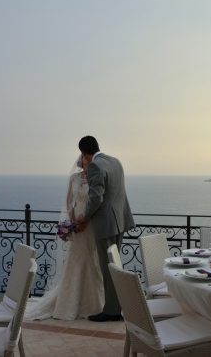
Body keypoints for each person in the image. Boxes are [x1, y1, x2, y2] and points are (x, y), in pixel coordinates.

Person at [24, 155, 104, 320]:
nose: (85, 159)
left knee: (90, 258)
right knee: (75, 259)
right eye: (83, 157)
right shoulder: (74, 178)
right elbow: (69, 201)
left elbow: (97, 201)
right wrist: (72, 222)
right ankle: (69, 301)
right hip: (76, 220)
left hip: (90, 224)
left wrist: (85, 221)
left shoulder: (96, 177)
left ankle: (94, 302)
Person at [77, 136, 135, 322]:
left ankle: (111, 311)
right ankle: (119, 306)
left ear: (84, 152)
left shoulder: (95, 166)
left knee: (108, 267)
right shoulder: (115, 161)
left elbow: (96, 198)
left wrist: (84, 216)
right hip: (120, 221)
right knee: (116, 266)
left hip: (105, 224)